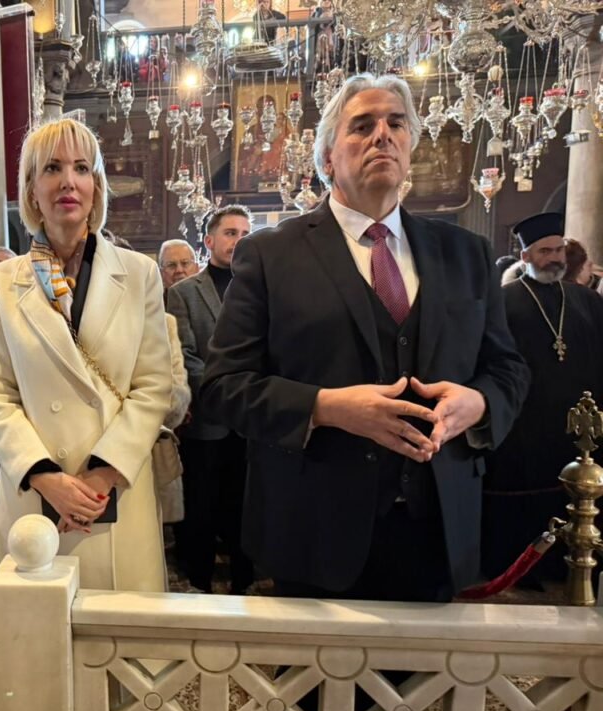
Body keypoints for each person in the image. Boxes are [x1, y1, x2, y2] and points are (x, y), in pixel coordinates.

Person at [201, 74, 529, 602]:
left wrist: (480, 404)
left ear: (410, 145)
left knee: (433, 659)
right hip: (314, 528)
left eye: (396, 123)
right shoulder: (270, 254)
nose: (383, 135)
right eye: (362, 126)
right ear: (327, 157)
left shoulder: (465, 253)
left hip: (439, 528)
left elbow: (508, 370)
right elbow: (223, 387)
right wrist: (327, 407)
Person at [0, 118, 172, 592]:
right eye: (52, 168)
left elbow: (153, 386)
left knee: (122, 629)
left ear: (96, 186)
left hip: (116, 484)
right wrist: (45, 476)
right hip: (35, 494)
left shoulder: (139, 273)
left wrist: (102, 475)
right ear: (31, 188)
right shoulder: (2, 282)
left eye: (82, 168)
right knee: (35, 624)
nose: (68, 181)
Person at [483, 214, 603, 585]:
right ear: (526, 256)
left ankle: (573, 563)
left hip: (577, 423)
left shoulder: (586, 300)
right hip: (523, 423)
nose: (554, 259)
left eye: (558, 250)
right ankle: (518, 570)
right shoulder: (502, 301)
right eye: (545, 251)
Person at [168, 205, 256, 594]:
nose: (239, 241)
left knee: (246, 507)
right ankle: (201, 584)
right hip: (208, 419)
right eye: (231, 233)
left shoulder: (261, 289)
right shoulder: (184, 292)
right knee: (202, 507)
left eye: (245, 234)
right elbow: (185, 354)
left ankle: (246, 583)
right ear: (209, 241)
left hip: (252, 421)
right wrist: (231, 391)